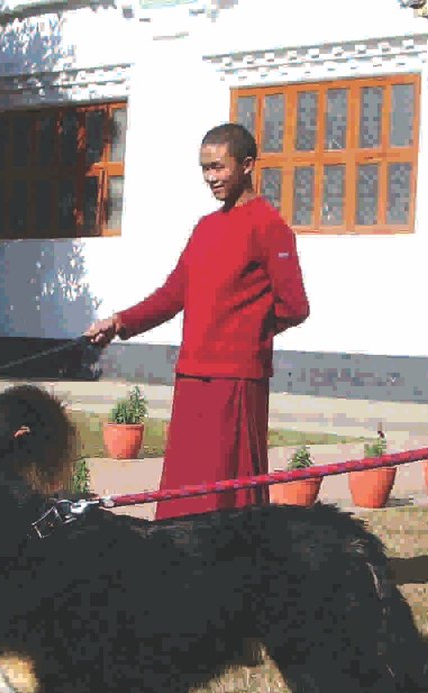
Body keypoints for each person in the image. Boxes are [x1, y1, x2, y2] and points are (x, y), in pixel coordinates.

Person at [84, 122, 310, 519]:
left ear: (248, 165)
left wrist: (246, 330)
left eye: (219, 167)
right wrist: (118, 322)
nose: (211, 178)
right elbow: (172, 295)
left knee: (228, 493)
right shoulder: (206, 228)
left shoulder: (269, 226)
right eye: (205, 168)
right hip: (193, 375)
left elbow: (294, 305)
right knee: (186, 489)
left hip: (237, 378)